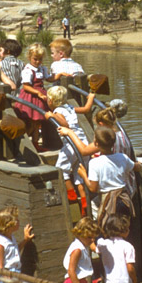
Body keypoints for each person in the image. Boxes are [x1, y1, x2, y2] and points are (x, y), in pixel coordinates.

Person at [68, 126, 142, 222]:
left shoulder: (94, 163)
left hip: (108, 198)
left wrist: (83, 175)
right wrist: (139, 164)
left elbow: (92, 188)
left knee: (93, 206)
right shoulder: (122, 157)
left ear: (96, 144)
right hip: (124, 197)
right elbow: (136, 167)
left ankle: (98, 226)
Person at [44, 86, 96, 214]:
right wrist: (90, 98)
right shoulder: (69, 107)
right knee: (79, 175)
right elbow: (86, 109)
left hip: (71, 144)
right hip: (82, 141)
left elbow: (65, 124)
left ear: (50, 101)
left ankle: (71, 197)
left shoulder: (57, 111)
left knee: (61, 170)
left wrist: (52, 116)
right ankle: (85, 205)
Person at [14, 43, 52, 152]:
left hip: (40, 97)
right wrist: (38, 93)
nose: (37, 62)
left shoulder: (41, 69)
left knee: (38, 122)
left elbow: (48, 78)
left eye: (40, 59)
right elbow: (26, 86)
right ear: (29, 57)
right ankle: (24, 142)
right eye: (35, 59)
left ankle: (35, 143)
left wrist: (58, 75)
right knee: (31, 121)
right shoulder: (28, 70)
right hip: (31, 96)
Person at [97, 216, 137, 283]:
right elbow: (130, 268)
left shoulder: (103, 243)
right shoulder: (128, 246)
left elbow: (95, 247)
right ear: (123, 230)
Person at [63, 217, 99, 283]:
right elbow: (71, 271)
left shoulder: (83, 247)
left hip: (80, 282)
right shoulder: (77, 250)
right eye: (89, 237)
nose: (92, 240)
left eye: (93, 237)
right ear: (80, 234)